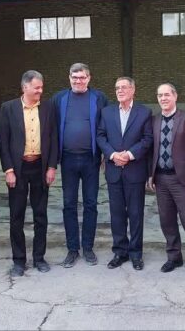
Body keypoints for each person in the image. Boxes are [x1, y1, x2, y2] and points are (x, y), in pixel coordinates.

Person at [0, 70, 58, 277]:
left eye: (41, 87)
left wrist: (52, 167)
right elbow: (4, 142)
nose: (40, 91)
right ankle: (19, 260)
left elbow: (54, 138)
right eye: (36, 87)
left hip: (40, 167)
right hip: (18, 168)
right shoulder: (8, 108)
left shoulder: (48, 108)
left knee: (40, 215)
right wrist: (8, 170)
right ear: (25, 87)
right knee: (17, 215)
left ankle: (39, 258)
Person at [52, 63, 107, 267]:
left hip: (91, 159)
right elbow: (51, 127)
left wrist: (105, 153)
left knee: (91, 204)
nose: (78, 81)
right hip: (67, 159)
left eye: (82, 77)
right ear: (69, 78)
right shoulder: (59, 99)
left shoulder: (99, 98)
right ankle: (72, 249)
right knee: (69, 204)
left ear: (89, 78)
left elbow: (106, 126)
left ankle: (88, 248)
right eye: (74, 77)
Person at [147, 83, 185, 278]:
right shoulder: (154, 120)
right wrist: (150, 174)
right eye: (160, 95)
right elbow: (151, 150)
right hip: (161, 178)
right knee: (167, 220)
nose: (163, 98)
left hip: (182, 179)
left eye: (167, 95)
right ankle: (174, 257)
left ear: (175, 96)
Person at [97, 77, 153, 271]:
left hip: (134, 170)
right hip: (114, 170)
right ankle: (120, 252)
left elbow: (147, 139)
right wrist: (113, 155)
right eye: (117, 88)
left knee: (136, 214)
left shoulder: (144, 112)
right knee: (117, 214)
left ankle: (136, 253)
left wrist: (129, 155)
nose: (119, 91)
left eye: (123, 87)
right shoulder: (107, 112)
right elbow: (100, 136)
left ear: (133, 90)